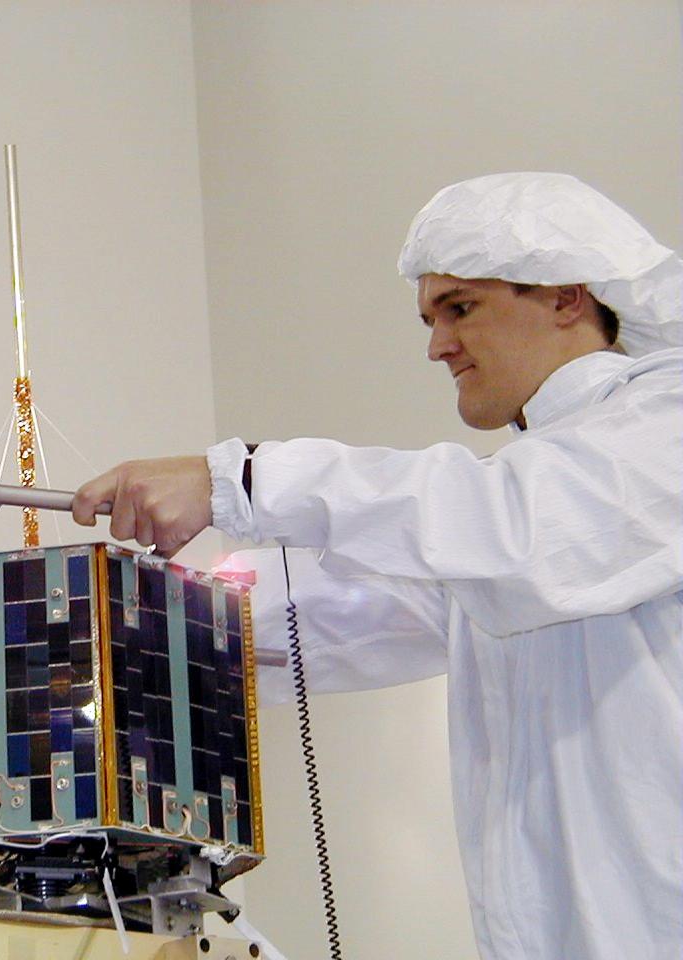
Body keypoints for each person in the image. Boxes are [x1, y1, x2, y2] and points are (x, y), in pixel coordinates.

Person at [71, 172, 683, 960]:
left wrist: (239, 479)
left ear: (567, 296)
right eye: (430, 319)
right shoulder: (514, 520)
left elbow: (510, 527)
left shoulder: (659, 426)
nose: (437, 345)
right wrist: (116, 620)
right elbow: (359, 608)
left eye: (460, 308)